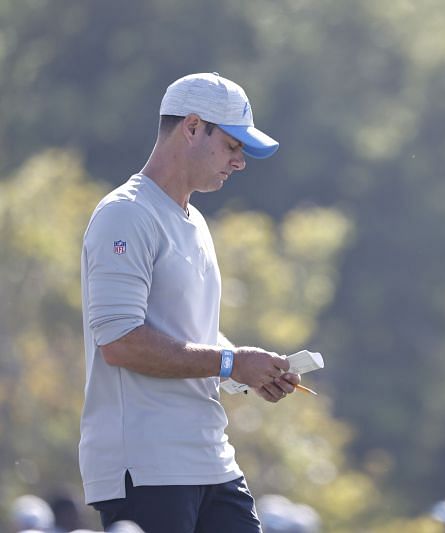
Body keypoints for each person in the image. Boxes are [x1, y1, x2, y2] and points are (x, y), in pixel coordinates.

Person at [79, 72, 301, 533]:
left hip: (207, 457)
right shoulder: (126, 214)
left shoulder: (195, 222)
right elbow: (120, 342)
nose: (239, 162)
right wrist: (230, 362)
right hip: (146, 465)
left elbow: (190, 334)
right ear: (193, 126)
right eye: (233, 146)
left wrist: (247, 373)